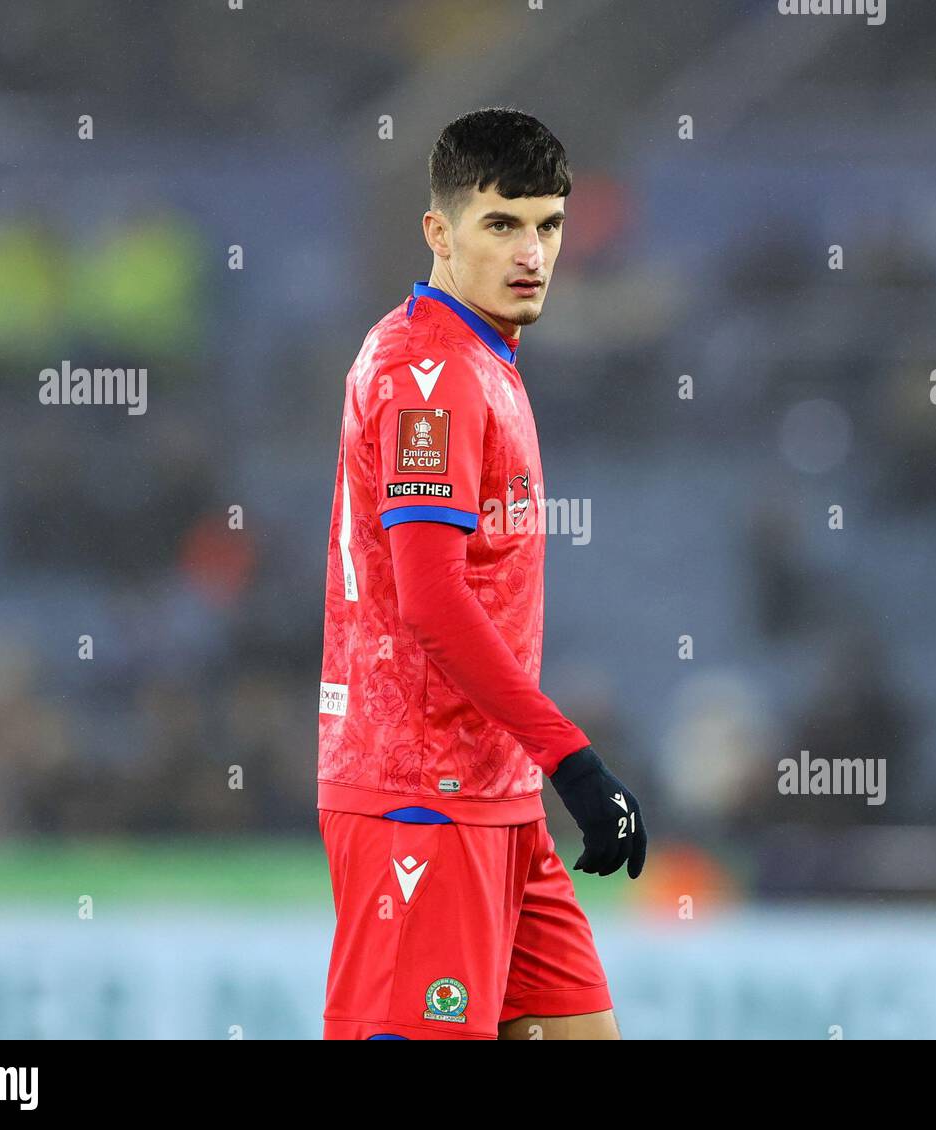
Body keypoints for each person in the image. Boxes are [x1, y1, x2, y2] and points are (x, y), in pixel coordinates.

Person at [316, 107, 646, 1040]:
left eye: (548, 225)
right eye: (501, 224)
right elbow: (430, 599)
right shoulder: (428, 372)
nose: (531, 251)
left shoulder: (483, 357)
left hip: (497, 797)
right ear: (438, 231)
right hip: (421, 797)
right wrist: (572, 759)